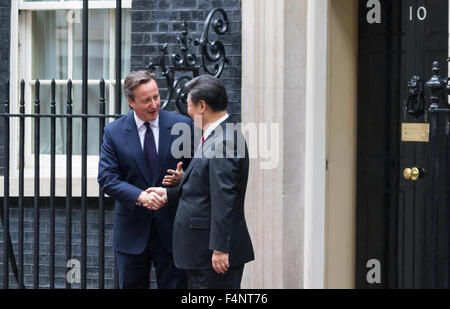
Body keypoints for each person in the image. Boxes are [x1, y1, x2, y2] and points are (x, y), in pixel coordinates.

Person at [145, 75, 254, 289]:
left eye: (189, 105)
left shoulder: (224, 142)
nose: (188, 112)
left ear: (202, 106)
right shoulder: (218, 136)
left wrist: (221, 249)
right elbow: (210, 185)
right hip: (202, 254)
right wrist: (174, 188)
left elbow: (225, 200)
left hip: (211, 256)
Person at [97, 70, 192, 289]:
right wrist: (140, 196)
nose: (154, 104)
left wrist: (182, 177)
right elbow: (107, 178)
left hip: (171, 231)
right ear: (130, 101)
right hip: (132, 232)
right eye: (146, 100)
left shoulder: (182, 126)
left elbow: (197, 173)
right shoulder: (114, 132)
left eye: (156, 97)